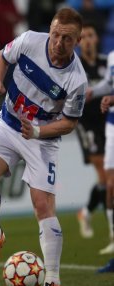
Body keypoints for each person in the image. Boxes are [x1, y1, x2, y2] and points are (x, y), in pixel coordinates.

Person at [0, 8, 86, 286]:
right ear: (49, 30)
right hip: (8, 123)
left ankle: (52, 283)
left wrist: (37, 132)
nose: (58, 43)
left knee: (42, 205)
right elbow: (2, 56)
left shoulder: (77, 80)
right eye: (55, 35)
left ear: (77, 41)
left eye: (67, 39)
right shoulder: (29, 41)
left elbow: (70, 123)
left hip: (42, 139)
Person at [75, 23, 108, 239]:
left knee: (107, 180)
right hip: (87, 125)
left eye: (91, 35)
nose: (87, 39)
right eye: (83, 36)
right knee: (105, 176)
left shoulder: (107, 63)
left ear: (96, 39)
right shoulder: (74, 66)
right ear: (78, 42)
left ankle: (86, 212)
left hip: (109, 124)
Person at [92, 52, 114, 255]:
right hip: (112, 126)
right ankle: (113, 239)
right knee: (111, 186)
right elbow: (109, 83)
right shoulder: (112, 57)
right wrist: (92, 91)